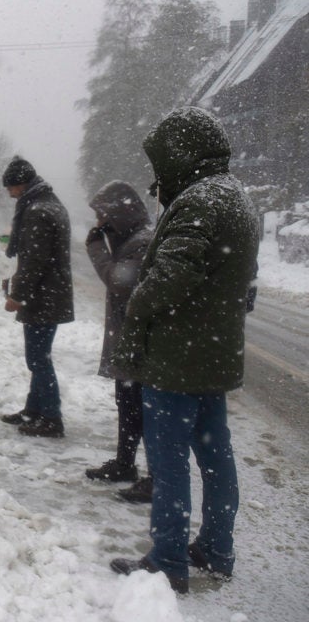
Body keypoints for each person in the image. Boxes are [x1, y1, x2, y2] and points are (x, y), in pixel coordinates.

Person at [109, 107, 259, 594]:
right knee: (216, 457)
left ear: (181, 154)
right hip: (213, 352)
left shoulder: (200, 202)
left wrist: (139, 302)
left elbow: (171, 276)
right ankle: (217, 548)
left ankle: (168, 559)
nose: (158, 175)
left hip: (177, 356)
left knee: (168, 460)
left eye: (162, 162)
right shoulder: (235, 197)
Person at [82, 181, 153, 498]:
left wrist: (96, 248)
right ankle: (125, 463)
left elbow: (118, 282)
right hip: (128, 341)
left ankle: (156, 477)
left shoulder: (141, 243)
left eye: (102, 216)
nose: (98, 224)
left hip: (139, 342)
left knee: (143, 409)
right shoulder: (130, 239)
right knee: (128, 405)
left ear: (119, 215)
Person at [0, 156, 74, 438]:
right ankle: (34, 410)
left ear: (21, 184)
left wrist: (17, 295)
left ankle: (51, 418)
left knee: (39, 359)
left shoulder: (37, 211)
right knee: (39, 356)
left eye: (11, 187)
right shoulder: (50, 204)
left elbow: (34, 261)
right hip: (51, 292)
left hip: (43, 295)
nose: (9, 193)